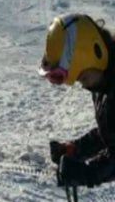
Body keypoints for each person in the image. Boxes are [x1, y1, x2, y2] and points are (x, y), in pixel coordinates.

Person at [41, 14, 115, 189]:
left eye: (83, 77)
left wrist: (87, 172)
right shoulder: (104, 78)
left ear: (94, 54)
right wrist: (75, 149)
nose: (84, 86)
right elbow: (112, 130)